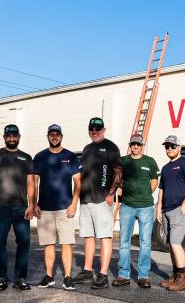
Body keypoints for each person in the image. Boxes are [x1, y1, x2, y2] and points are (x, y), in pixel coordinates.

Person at [0, 124, 34, 291]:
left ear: (19, 137)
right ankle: (2, 278)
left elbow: (31, 183)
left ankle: (20, 278)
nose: (11, 139)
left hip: (21, 207)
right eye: (8, 136)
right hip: (0, 207)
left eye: (14, 136)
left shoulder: (26, 158)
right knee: (0, 243)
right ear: (4, 137)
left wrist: (32, 204)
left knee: (24, 242)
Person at [31, 124, 81, 290]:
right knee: (49, 244)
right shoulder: (40, 157)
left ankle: (67, 277)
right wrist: (33, 204)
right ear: (48, 136)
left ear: (61, 136)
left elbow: (78, 183)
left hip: (65, 209)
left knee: (67, 243)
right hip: (44, 209)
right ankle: (49, 276)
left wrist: (74, 203)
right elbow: (34, 182)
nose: (54, 137)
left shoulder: (70, 157)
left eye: (57, 134)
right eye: (52, 134)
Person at [77, 116, 123, 288]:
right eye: (91, 130)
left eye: (97, 129)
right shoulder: (87, 149)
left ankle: (103, 274)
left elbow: (118, 172)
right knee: (88, 236)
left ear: (103, 130)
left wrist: (111, 194)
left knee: (104, 236)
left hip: (103, 199)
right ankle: (87, 271)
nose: (94, 132)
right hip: (86, 199)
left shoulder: (111, 147)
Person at [114, 134, 158, 288]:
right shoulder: (123, 161)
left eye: (138, 144)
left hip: (146, 206)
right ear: (130, 145)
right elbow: (117, 179)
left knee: (145, 242)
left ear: (142, 145)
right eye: (133, 144)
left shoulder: (150, 161)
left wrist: (145, 193)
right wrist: (124, 189)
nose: (136, 147)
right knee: (124, 241)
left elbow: (154, 181)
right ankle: (123, 275)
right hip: (127, 206)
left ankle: (143, 276)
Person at [156, 134, 185, 292]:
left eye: (172, 146)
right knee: (171, 245)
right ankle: (175, 275)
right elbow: (161, 190)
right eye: (167, 146)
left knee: (175, 243)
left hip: (178, 210)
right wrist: (158, 208)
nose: (169, 149)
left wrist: (184, 207)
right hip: (166, 210)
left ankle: (182, 279)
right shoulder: (166, 168)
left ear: (179, 147)